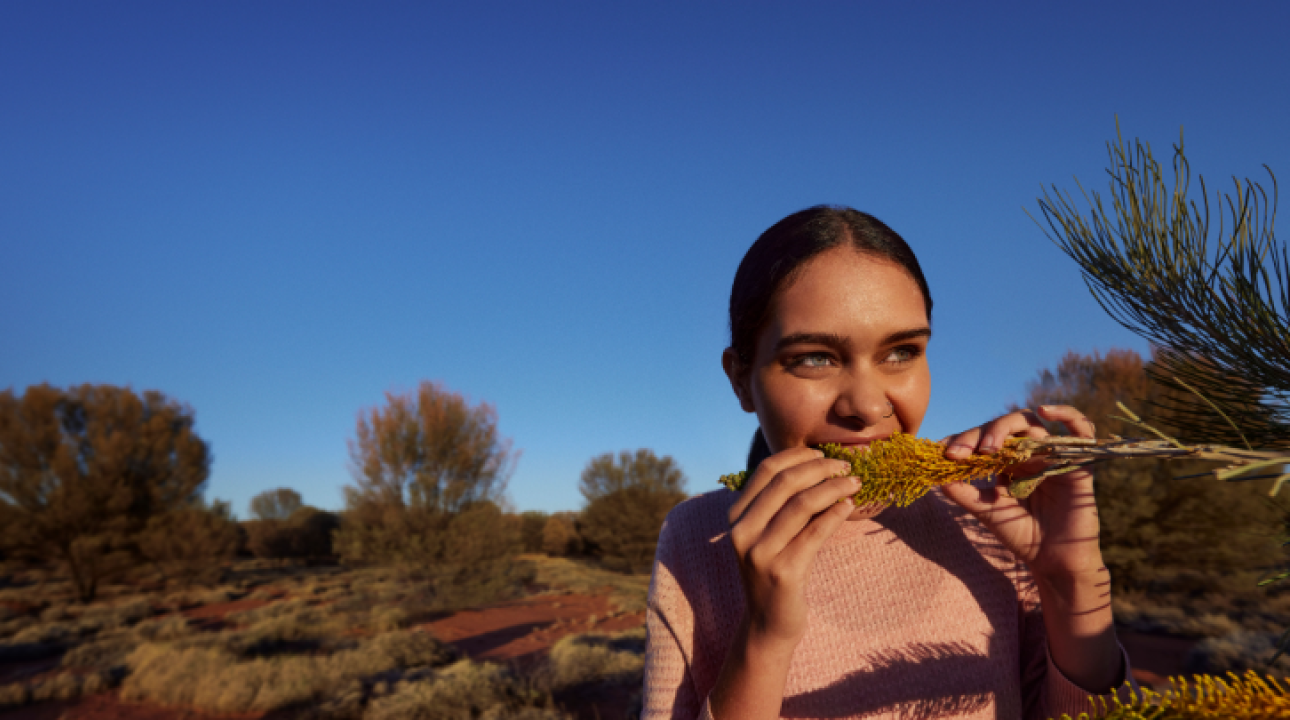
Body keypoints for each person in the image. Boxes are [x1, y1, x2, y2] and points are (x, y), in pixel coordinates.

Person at [641, 206, 1132, 719]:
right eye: (814, 357)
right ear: (741, 378)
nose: (868, 406)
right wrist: (763, 638)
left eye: (900, 351)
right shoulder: (698, 537)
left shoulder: (994, 515)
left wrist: (1071, 581)